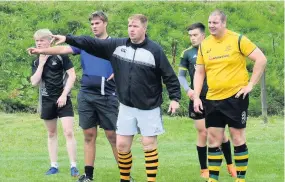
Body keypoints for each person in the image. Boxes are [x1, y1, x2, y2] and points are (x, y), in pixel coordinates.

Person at [29, 14, 181, 182]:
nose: (131, 29)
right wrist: (52, 45)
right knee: (106, 140)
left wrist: (174, 97)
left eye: (135, 26)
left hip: (131, 101)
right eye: (129, 25)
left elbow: (167, 74)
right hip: (108, 101)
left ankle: (139, 178)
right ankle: (104, 177)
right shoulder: (107, 45)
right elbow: (77, 45)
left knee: (131, 141)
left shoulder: (137, 48)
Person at [30, 11, 126, 182]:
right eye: (92, 24)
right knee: (88, 135)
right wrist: (40, 50)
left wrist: (121, 73)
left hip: (107, 96)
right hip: (86, 96)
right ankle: (88, 176)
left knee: (113, 136)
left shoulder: (115, 44)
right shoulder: (86, 44)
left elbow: (129, 62)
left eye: (97, 23)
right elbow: (62, 49)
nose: (94, 26)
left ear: (105, 23)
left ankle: (125, 176)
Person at [193, 10, 267, 182]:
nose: (211, 25)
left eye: (215, 23)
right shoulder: (205, 44)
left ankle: (240, 179)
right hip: (212, 99)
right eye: (209, 22)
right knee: (213, 139)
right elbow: (199, 72)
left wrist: (250, 85)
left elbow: (261, 59)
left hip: (235, 98)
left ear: (224, 23)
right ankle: (213, 178)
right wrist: (197, 96)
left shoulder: (238, 39)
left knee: (237, 137)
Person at [178, 22, 236, 179]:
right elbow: (181, 76)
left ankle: (230, 164)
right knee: (203, 132)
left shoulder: (214, 49)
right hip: (198, 98)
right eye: (190, 35)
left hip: (217, 97)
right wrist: (188, 90)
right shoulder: (187, 53)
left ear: (203, 35)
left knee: (220, 134)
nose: (192, 38)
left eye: (195, 35)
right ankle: (204, 168)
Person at [30, 29, 79, 177]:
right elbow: (34, 82)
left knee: (68, 132)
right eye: (37, 41)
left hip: (63, 99)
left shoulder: (61, 56)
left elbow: (72, 76)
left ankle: (73, 166)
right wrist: (41, 64)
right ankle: (54, 166)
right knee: (51, 133)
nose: (39, 43)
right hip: (47, 99)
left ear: (50, 41)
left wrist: (64, 95)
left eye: (42, 40)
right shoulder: (36, 60)